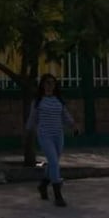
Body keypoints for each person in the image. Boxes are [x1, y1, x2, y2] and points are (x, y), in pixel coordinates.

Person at [25, 73, 79, 207]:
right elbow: (32, 119)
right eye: (46, 83)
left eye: (52, 83)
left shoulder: (58, 100)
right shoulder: (38, 101)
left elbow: (65, 116)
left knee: (53, 163)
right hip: (45, 135)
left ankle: (43, 185)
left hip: (58, 135)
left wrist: (73, 126)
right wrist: (27, 133)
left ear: (55, 86)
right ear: (42, 85)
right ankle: (58, 195)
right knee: (54, 162)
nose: (49, 86)